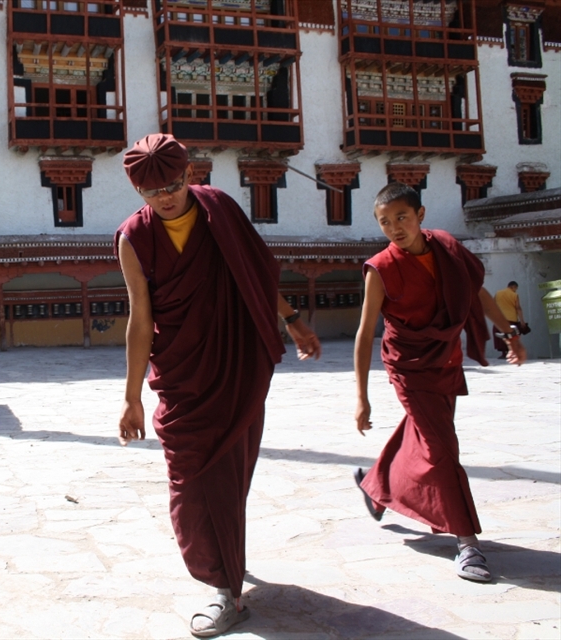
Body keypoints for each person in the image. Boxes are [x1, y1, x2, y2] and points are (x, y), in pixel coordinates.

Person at [115, 134, 321, 638]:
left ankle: (225, 586)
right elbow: (141, 319)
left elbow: (256, 275)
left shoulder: (219, 210)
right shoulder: (133, 238)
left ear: (189, 174)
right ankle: (220, 578)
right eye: (151, 191)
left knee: (230, 471)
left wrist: (292, 319)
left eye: (172, 184)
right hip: (183, 375)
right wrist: (131, 396)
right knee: (191, 478)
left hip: (234, 362)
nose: (164, 198)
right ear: (138, 191)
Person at [353, 182, 526, 584]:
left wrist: (509, 333)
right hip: (408, 365)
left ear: (421, 215)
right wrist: (361, 397)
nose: (395, 228)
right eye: (385, 222)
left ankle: (376, 485)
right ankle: (467, 543)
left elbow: (475, 293)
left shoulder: (447, 248)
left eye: (402, 217)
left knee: (428, 436)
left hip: (444, 359)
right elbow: (364, 333)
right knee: (443, 449)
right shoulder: (380, 268)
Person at [493, 281, 526, 359]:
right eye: (516, 288)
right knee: (511, 335)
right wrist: (522, 321)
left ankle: (503, 353)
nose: (515, 290)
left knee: (500, 335)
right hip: (511, 318)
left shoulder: (498, 293)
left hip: (500, 318)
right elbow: (518, 308)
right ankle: (510, 352)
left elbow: (493, 304)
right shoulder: (514, 295)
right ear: (513, 287)